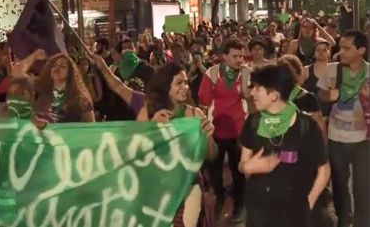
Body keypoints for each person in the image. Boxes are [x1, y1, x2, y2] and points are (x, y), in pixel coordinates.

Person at [238, 63, 330, 227]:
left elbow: (324, 169)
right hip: (259, 209)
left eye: (257, 88)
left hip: (295, 210)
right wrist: (246, 168)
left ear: (273, 95)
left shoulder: (306, 125)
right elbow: (243, 163)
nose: (252, 92)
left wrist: (308, 204)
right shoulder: (253, 123)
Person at [137, 62, 217, 227]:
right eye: (179, 83)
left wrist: (207, 137)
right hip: (158, 186)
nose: (185, 87)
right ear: (166, 85)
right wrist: (152, 127)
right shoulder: (149, 112)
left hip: (188, 184)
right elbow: (136, 149)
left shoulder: (195, 114)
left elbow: (212, 155)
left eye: (186, 82)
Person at [317, 30, 369, 227]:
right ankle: (343, 217)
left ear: (361, 50)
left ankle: (363, 221)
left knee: (363, 184)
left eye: (347, 48)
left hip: (364, 139)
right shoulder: (332, 70)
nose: (341, 52)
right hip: (336, 137)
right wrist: (327, 95)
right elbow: (320, 94)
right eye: (341, 47)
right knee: (338, 183)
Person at [198, 40, 250, 222]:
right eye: (235, 56)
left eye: (241, 56)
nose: (239, 59)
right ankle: (219, 199)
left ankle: (239, 205)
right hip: (216, 131)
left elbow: (251, 99)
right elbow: (203, 101)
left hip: (238, 131)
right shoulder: (211, 74)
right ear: (224, 56)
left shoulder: (246, 73)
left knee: (239, 172)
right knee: (214, 172)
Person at [35, 53, 95, 123]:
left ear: (70, 72)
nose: (57, 68)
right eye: (54, 65)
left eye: (62, 66)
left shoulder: (80, 99)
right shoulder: (42, 95)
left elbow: (91, 125)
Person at [279, 55, 326, 137]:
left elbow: (320, 126)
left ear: (298, 73)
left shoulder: (308, 98)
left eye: (289, 72)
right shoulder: (273, 97)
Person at [303, 41, 332, 120]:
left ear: (329, 52)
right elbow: (297, 90)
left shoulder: (335, 70)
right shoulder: (306, 70)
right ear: (314, 52)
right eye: (318, 50)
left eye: (324, 50)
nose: (321, 53)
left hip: (332, 118)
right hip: (312, 117)